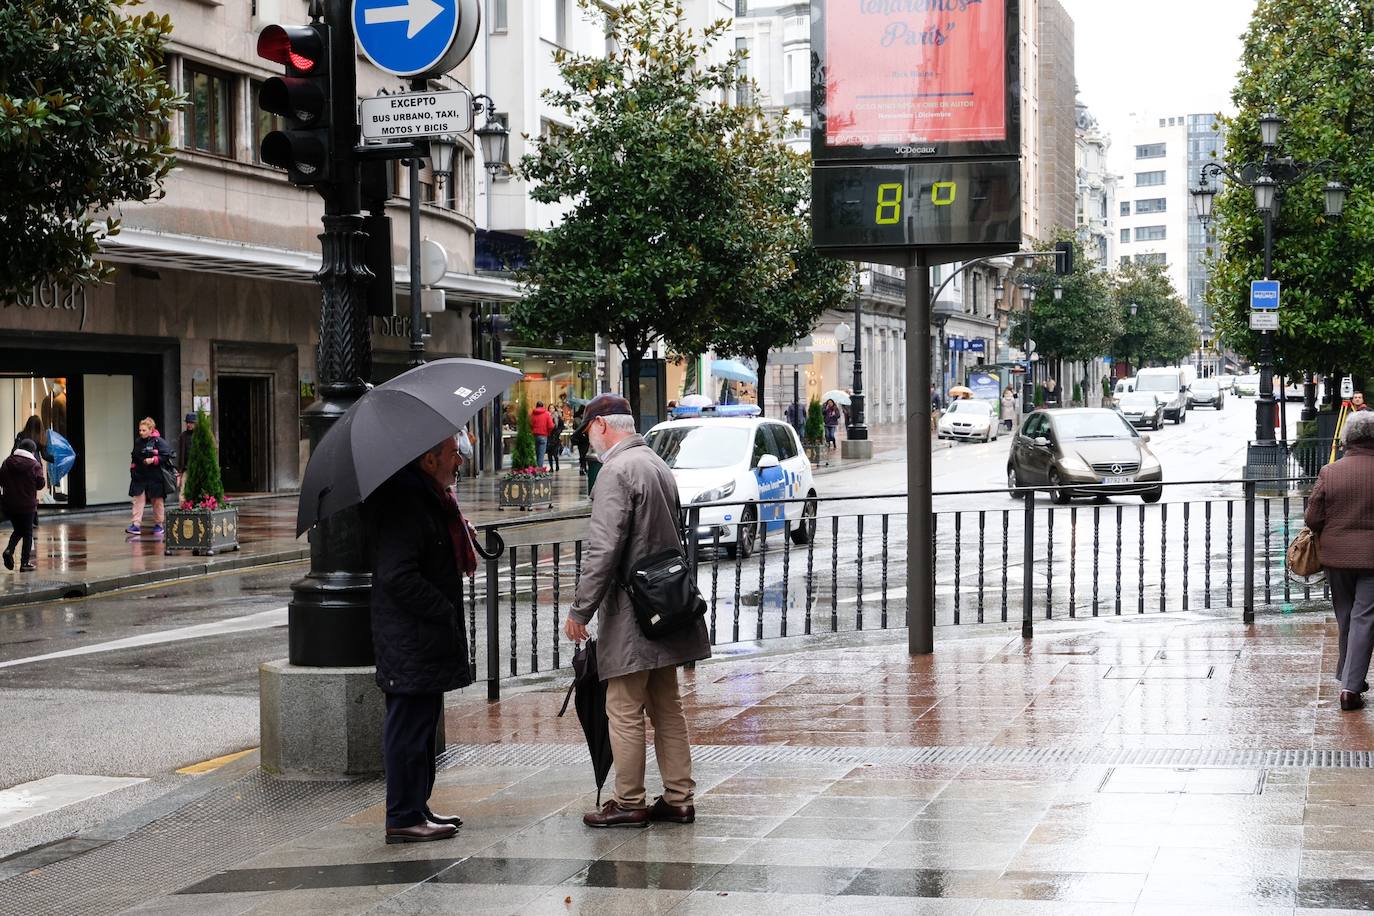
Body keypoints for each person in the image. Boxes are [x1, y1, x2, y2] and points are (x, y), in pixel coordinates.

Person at [562, 394, 710, 828]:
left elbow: (603, 550)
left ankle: (629, 801)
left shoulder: (616, 471)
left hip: (632, 612)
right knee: (666, 704)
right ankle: (680, 797)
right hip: (667, 604)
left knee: (623, 706)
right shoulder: (655, 463)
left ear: (603, 425)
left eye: (588, 430)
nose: (588, 441)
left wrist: (580, 611)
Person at [365, 435, 475, 844]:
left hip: (421, 638)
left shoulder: (429, 498)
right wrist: (441, 608)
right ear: (429, 460)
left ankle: (418, 806)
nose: (459, 459)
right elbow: (397, 576)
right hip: (411, 637)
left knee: (423, 726)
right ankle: (403, 815)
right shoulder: (405, 504)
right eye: (452, 453)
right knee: (408, 728)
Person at [1304, 410, 1374, 711]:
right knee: (1364, 619)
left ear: (1349, 438)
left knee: (1347, 617)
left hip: (1336, 557)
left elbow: (1312, 517)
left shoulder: (1330, 472)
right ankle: (1349, 687)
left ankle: (1348, 677)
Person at [0, 439, 44, 572]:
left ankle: (9, 551)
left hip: (10, 504)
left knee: (19, 530)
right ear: (32, 451)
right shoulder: (34, 465)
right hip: (27, 505)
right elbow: (40, 484)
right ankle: (25, 563)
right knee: (28, 533)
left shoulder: (7, 462)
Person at [128, 417, 173, 536]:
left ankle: (159, 524)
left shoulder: (159, 441)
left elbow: (167, 455)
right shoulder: (138, 442)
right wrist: (133, 469)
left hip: (155, 476)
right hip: (140, 475)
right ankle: (135, 524)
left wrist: (154, 460)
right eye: (140, 430)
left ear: (151, 430)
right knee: (138, 500)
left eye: (144, 430)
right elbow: (134, 456)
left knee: (157, 501)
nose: (141, 432)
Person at [529, 401, 555, 470]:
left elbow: (529, 423)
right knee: (541, 454)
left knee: (536, 453)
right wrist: (548, 432)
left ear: (536, 406)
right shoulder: (546, 414)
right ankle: (539, 469)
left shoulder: (532, 414)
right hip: (543, 436)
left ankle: (535, 468)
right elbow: (551, 426)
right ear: (543, 406)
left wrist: (532, 430)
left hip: (534, 435)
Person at [177, 413, 198, 489]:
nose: (189, 424)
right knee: (183, 491)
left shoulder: (200, 435)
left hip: (198, 469)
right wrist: (180, 472)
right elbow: (181, 454)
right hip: (186, 468)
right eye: (187, 422)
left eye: (191, 423)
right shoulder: (183, 436)